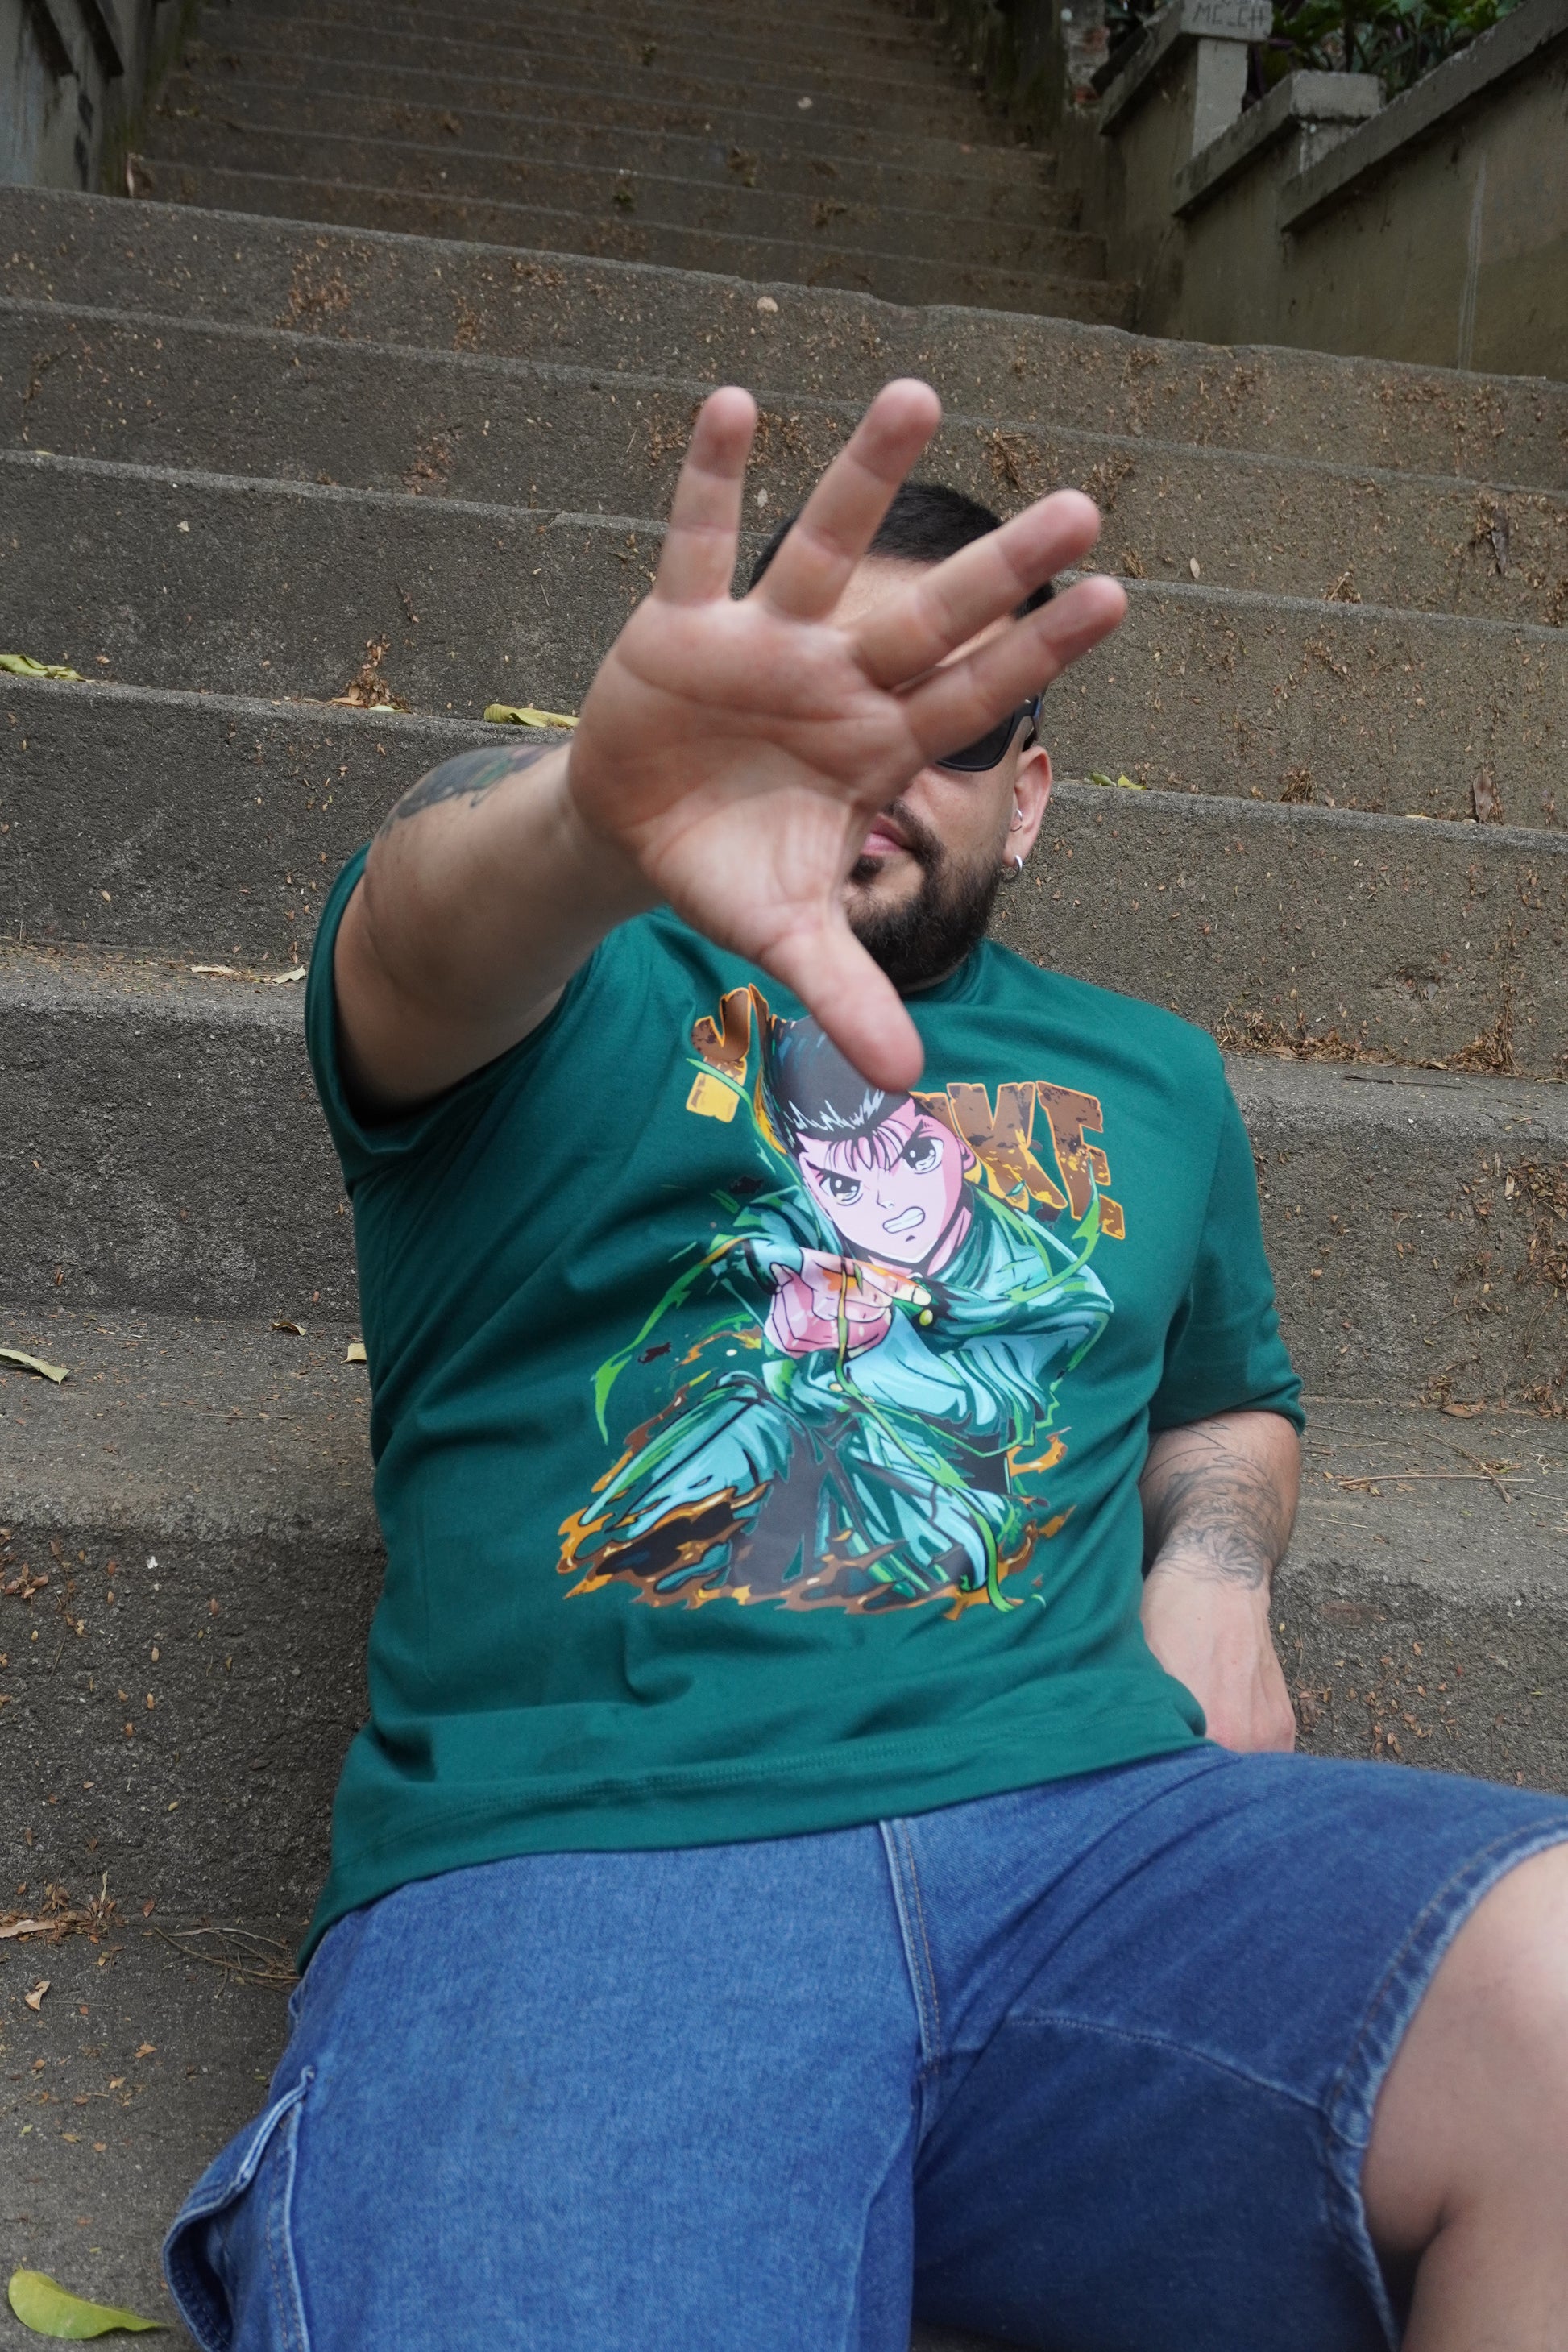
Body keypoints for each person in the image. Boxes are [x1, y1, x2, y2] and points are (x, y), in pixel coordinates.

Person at [166, 382, 1568, 2352]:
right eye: (820, 693)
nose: (880, 755)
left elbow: (1226, 1394)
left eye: (952, 722)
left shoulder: (1156, 1075)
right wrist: (589, 814)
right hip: (603, 1857)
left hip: (1100, 1846)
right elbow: (414, 932)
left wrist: (1215, 1568)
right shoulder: (567, 975)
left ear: (1032, 793)